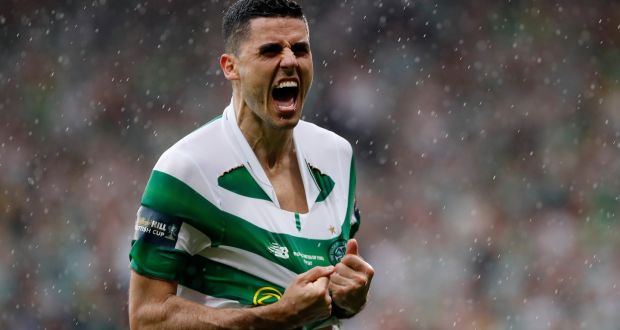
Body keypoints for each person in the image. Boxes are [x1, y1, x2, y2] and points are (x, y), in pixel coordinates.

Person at [127, 0, 374, 329]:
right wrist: (277, 317)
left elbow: (327, 301)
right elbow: (146, 319)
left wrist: (349, 299)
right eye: (270, 50)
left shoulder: (337, 156)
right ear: (231, 67)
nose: (289, 60)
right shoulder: (187, 168)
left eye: (300, 49)